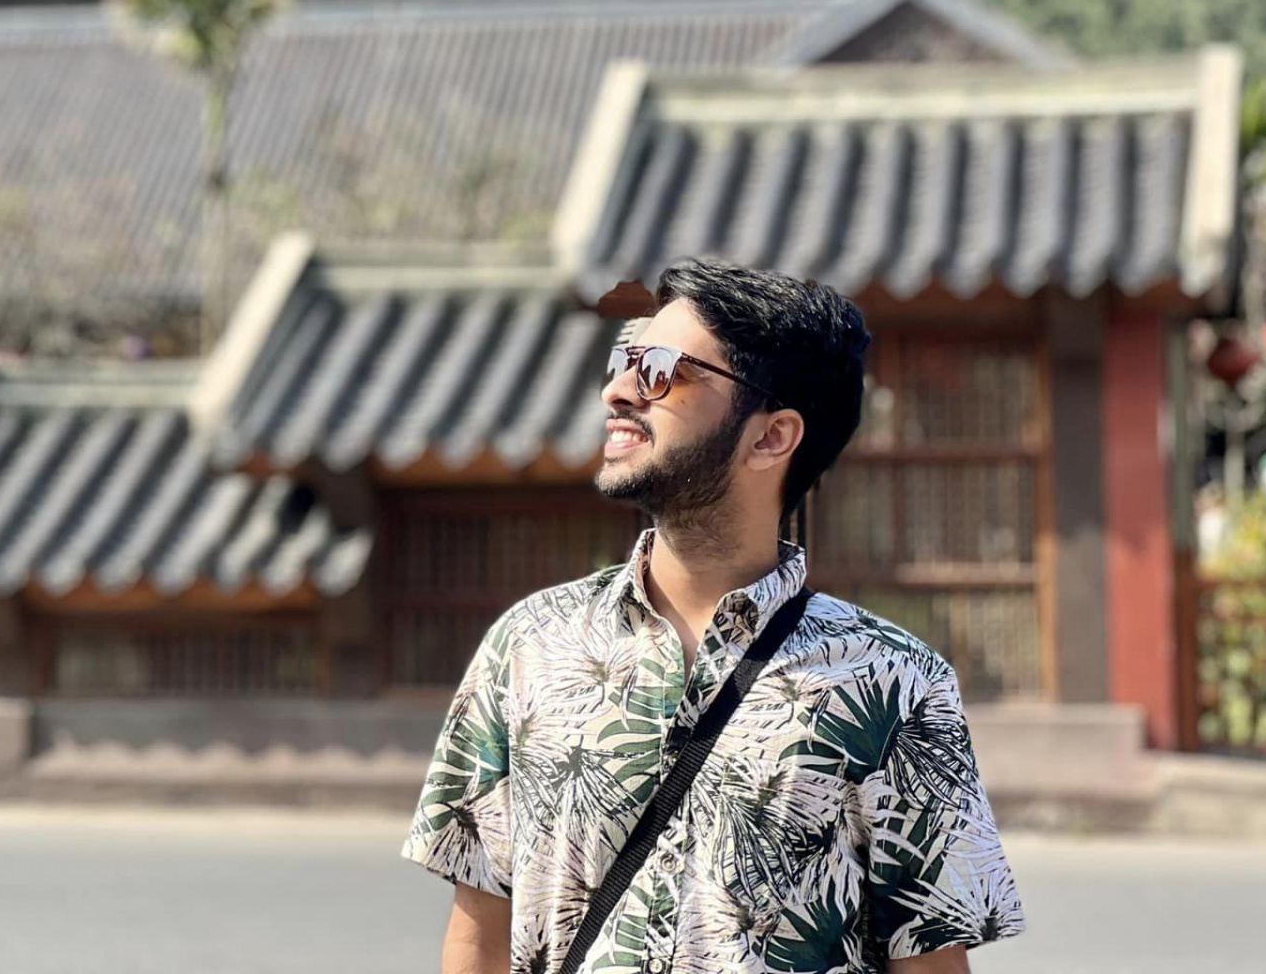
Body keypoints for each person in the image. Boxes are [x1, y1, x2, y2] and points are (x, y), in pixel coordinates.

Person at [402, 261, 1025, 974]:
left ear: (771, 437)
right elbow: (480, 934)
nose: (619, 389)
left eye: (664, 369)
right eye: (626, 359)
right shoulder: (529, 646)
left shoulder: (894, 684)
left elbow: (930, 965)